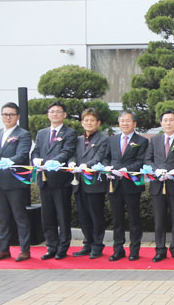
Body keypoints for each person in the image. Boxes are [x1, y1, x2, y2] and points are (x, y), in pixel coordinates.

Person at [0, 102, 33, 262]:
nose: (8, 117)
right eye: (5, 114)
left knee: (20, 216)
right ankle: (3, 249)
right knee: (3, 218)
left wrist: (2, 162)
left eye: (11, 114)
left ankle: (24, 249)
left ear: (18, 117)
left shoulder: (23, 134)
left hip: (14, 182)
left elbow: (21, 155)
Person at [32, 101, 78, 260]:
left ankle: (63, 247)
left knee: (62, 215)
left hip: (60, 180)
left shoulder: (70, 133)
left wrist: (53, 162)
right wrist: (36, 160)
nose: (55, 114)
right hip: (44, 180)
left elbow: (67, 151)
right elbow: (36, 150)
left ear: (64, 115)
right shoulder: (41, 133)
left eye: (58, 111)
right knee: (47, 215)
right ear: (48, 114)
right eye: (52, 111)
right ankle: (51, 246)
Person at [144, 110, 174, 262]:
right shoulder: (155, 140)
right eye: (165, 120)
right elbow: (148, 160)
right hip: (158, 184)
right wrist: (156, 170)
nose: (168, 123)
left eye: (171, 120)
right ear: (161, 123)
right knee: (159, 219)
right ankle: (160, 250)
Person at [106, 111, 149, 262]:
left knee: (134, 219)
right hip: (114, 184)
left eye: (128, 121)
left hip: (131, 184)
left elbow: (141, 160)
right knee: (117, 219)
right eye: (122, 121)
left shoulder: (142, 141)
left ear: (134, 123)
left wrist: (128, 170)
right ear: (119, 123)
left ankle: (134, 249)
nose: (125, 123)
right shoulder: (111, 140)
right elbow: (106, 158)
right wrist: (107, 169)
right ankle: (118, 249)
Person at [69, 108, 110, 259]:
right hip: (78, 182)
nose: (89, 123)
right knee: (83, 216)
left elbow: (99, 157)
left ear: (98, 123)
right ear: (82, 122)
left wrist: (86, 166)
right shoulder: (78, 140)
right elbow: (72, 155)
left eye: (92, 120)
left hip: (94, 183)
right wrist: (72, 163)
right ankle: (87, 243)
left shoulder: (103, 139)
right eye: (86, 120)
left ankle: (97, 245)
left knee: (96, 215)